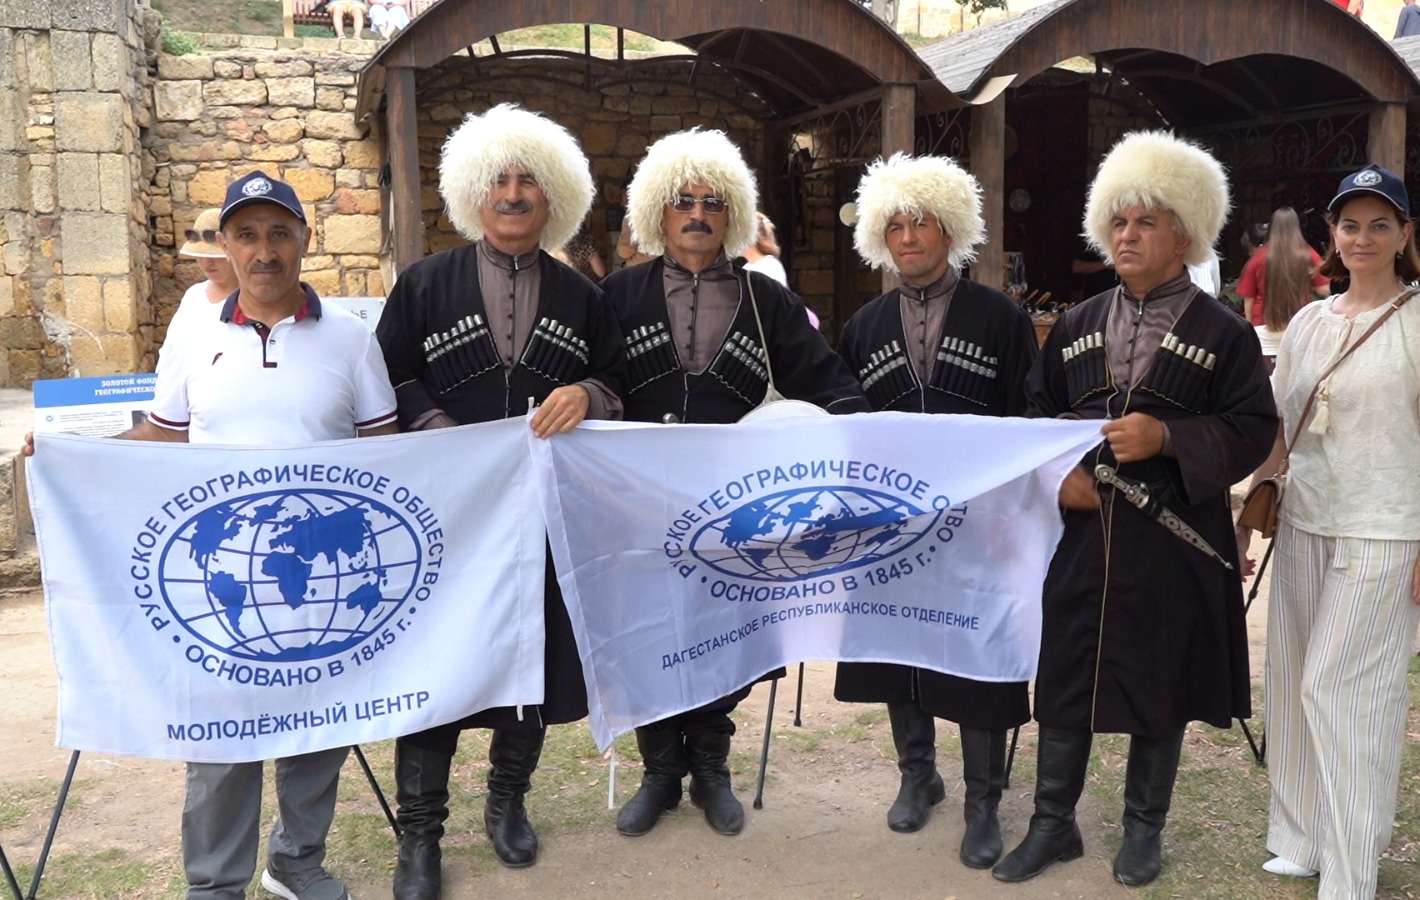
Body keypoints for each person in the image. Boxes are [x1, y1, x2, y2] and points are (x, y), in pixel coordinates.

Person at [20, 171, 400, 900]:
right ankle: (216, 884)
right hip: (226, 572)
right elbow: (164, 435)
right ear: (226, 245)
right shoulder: (195, 338)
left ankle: (296, 862)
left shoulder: (351, 340)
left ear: (305, 240)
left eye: (279, 233)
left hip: (315, 572)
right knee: (221, 738)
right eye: (247, 235)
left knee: (318, 728)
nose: (265, 251)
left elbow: (387, 449)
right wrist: (74, 453)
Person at [995, 131, 1277, 888]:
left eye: (1145, 222)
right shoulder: (1076, 323)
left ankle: (1143, 830)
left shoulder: (1224, 333)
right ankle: (1052, 825)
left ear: (1183, 235)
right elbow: (1036, 416)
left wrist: (1169, 437)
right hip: (1083, 534)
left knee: (1162, 684)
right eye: (1117, 221)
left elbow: (1254, 428)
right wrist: (1056, 476)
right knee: (1064, 678)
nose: (1126, 235)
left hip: (1173, 540)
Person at [374, 103, 627, 900]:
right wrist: (435, 426)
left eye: (527, 181)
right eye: (498, 181)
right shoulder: (424, 284)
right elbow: (388, 376)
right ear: (472, 194)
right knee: (437, 667)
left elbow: (617, 379)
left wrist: (588, 393)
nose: (512, 194)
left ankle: (508, 802)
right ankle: (420, 835)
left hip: (543, 520)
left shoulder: (584, 297)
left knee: (529, 658)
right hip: (443, 519)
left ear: (554, 196)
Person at [601, 127, 868, 838]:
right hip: (639, 507)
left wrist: (846, 443)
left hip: (736, 515)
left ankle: (711, 770)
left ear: (734, 214)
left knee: (727, 634)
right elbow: (592, 382)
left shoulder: (766, 301)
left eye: (713, 202)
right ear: (658, 211)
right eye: (684, 201)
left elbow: (830, 384)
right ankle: (661, 771)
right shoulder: (617, 295)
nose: (698, 214)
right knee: (649, 633)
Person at [1238, 163, 1420, 898]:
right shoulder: (1310, 323)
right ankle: (1300, 836)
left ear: (1406, 233)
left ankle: (1352, 867)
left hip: (1386, 529)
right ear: (1332, 234)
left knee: (1345, 689)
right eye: (1351, 225)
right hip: (1307, 520)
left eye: (1381, 224)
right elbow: (1281, 434)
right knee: (1292, 681)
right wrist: (1248, 518)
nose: (1364, 237)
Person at [832, 153, 1038, 870]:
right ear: (880, 237)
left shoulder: (1001, 317)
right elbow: (847, 428)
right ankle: (917, 775)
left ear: (950, 229)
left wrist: (1011, 512)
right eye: (895, 226)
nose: (909, 237)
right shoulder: (862, 326)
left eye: (921, 222)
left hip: (980, 524)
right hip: (892, 527)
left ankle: (984, 803)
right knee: (899, 647)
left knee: (979, 655)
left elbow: (1027, 415)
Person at [1237, 207, 1331, 369]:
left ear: (1272, 228)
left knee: (1267, 381)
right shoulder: (1308, 254)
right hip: (1299, 329)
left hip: (1264, 330)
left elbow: (1249, 300)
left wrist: (1250, 329)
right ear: (1296, 227)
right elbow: (1324, 290)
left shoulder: (1257, 257)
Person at [169, 207, 238, 347]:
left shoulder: (254, 299)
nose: (206, 262)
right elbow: (172, 350)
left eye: (214, 255)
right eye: (200, 254)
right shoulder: (194, 296)